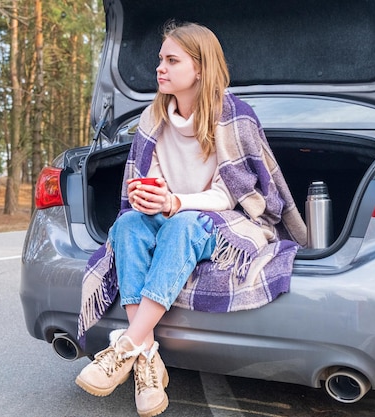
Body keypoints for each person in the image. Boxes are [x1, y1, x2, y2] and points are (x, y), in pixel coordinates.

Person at [75, 22, 307, 417]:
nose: (159, 69)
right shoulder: (153, 118)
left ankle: (126, 346)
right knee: (128, 224)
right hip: (169, 211)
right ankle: (148, 360)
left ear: (199, 68)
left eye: (171, 60)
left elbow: (231, 193)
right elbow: (149, 180)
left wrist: (175, 202)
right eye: (159, 60)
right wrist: (146, 195)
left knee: (184, 223)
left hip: (221, 219)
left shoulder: (234, 117)